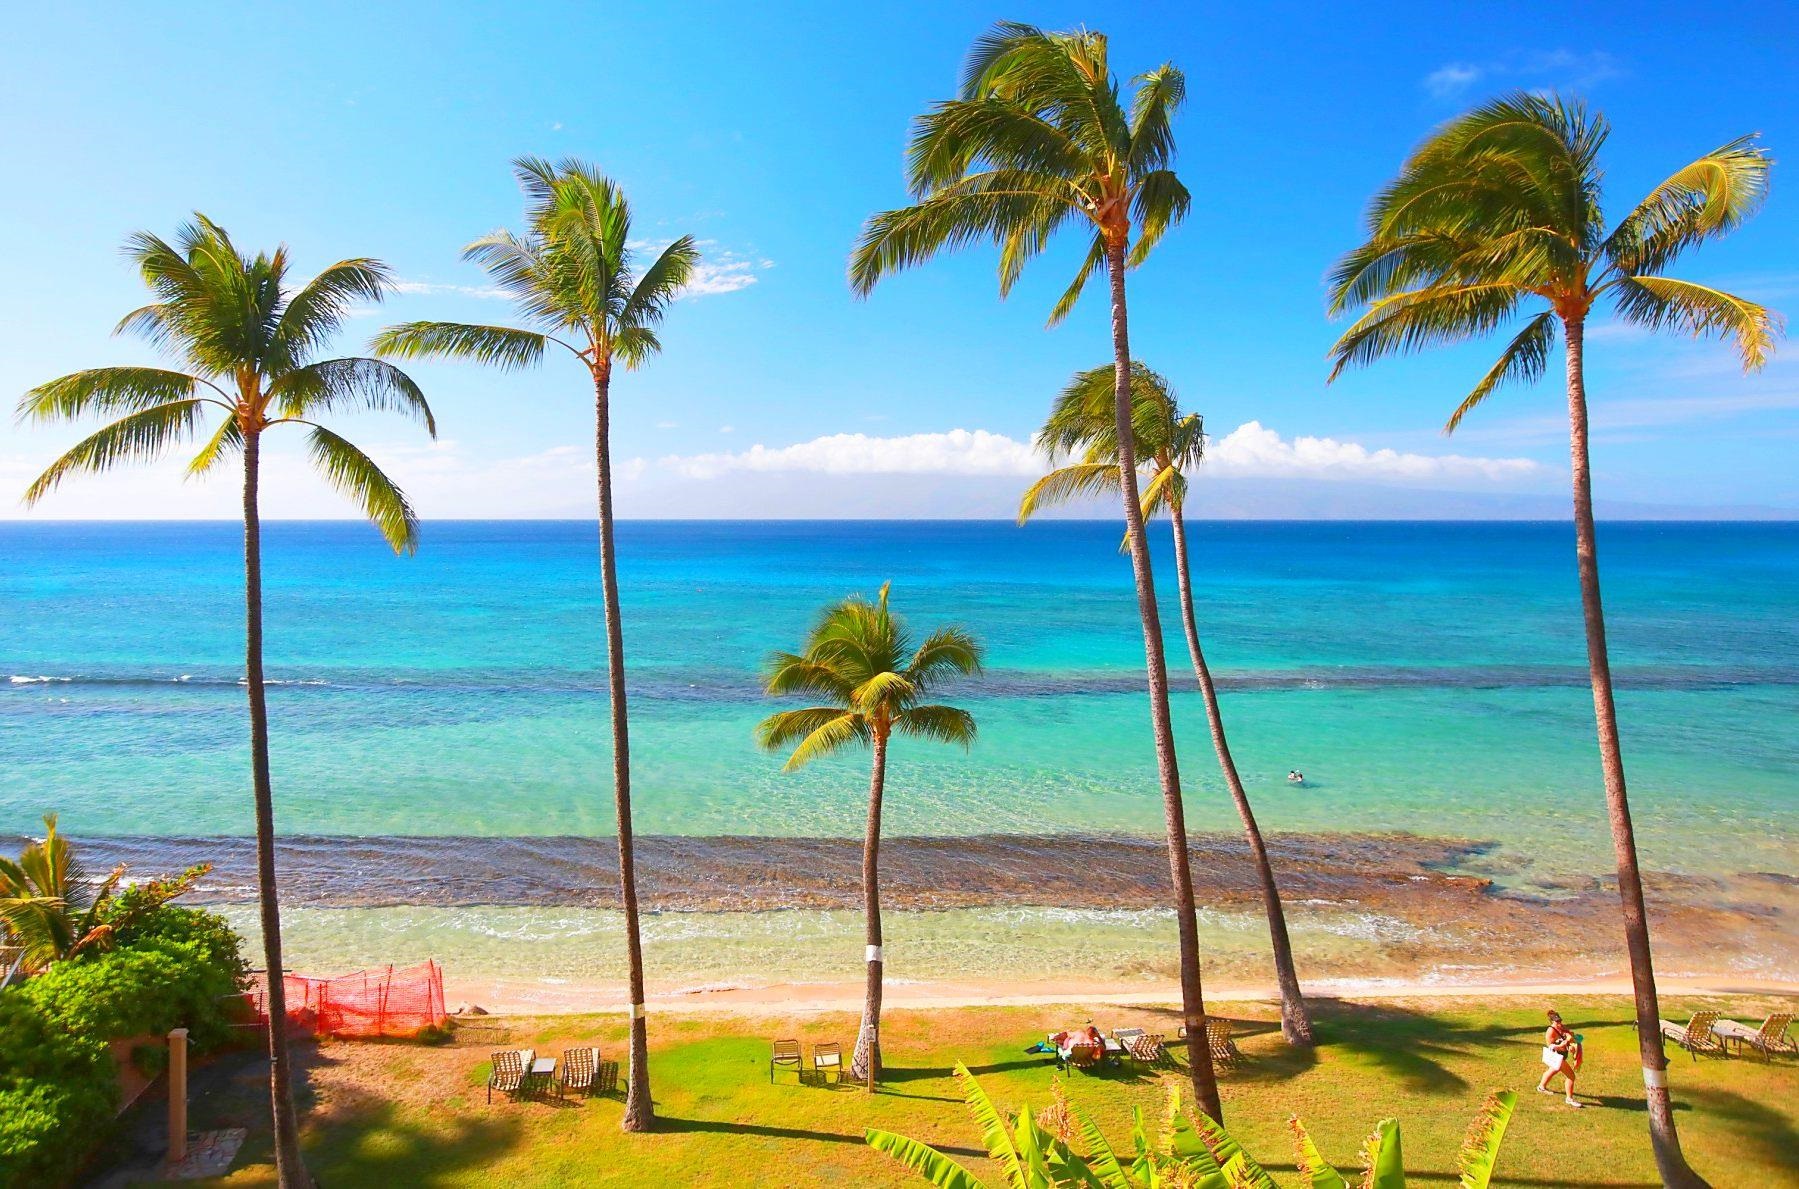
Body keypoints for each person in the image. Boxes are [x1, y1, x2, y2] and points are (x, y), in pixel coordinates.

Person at [1537, 1009, 1583, 1107]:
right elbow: (1552, 1047)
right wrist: (1565, 1044)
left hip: (1562, 1055)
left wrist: (1571, 1042)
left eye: (1560, 1020)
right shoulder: (1550, 1031)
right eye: (1557, 1021)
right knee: (1571, 1076)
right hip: (1557, 1057)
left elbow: (1570, 1033)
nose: (1559, 1023)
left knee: (1553, 1070)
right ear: (1552, 1021)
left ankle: (1541, 1087)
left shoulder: (1561, 1027)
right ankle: (1569, 1099)